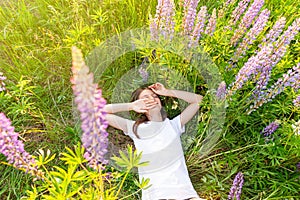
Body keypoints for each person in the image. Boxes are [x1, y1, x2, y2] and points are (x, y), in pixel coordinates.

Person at [104, 82, 205, 200]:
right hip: (156, 196)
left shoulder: (173, 125)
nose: (152, 99)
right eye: (145, 98)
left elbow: (199, 100)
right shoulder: (136, 129)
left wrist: (167, 92)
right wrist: (130, 106)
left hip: (186, 194)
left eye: (155, 96)